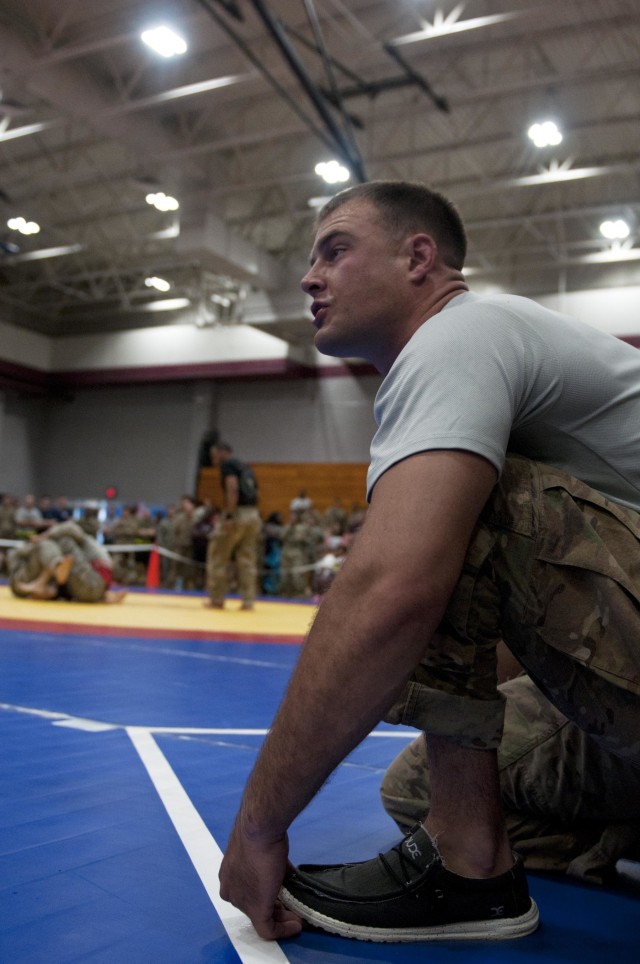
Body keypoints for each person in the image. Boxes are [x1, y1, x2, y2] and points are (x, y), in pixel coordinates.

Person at [218, 180, 640, 943]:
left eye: (335, 250)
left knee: (451, 515)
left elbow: (396, 588)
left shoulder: (458, 335)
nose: (309, 277)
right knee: (418, 790)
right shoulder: (485, 355)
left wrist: (259, 823)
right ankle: (479, 843)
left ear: (420, 258)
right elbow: (534, 629)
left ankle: (469, 871)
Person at [9, 520, 126, 603]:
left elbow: (70, 528)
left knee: (63, 543)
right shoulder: (90, 546)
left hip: (92, 581)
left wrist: (45, 536)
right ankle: (104, 597)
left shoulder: (74, 538)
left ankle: (50, 573)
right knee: (55, 565)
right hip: (97, 587)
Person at [205, 442, 261, 611]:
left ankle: (217, 599)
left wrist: (229, 516)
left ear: (223, 452)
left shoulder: (228, 465)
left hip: (237, 513)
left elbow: (232, 488)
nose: (212, 459)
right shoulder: (245, 467)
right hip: (253, 514)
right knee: (247, 560)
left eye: (214, 454)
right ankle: (248, 601)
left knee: (218, 556)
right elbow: (256, 492)